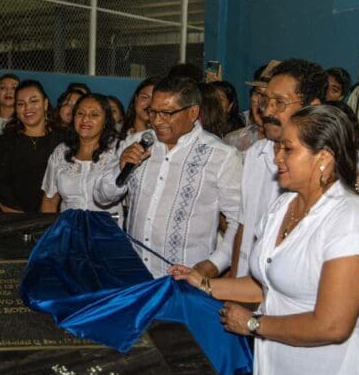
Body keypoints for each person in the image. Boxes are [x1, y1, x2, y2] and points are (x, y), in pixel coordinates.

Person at [170, 105, 359, 375]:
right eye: (277, 147)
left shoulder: (349, 219)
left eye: (288, 149)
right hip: (276, 363)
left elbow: (333, 325)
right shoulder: (282, 207)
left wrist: (254, 324)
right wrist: (205, 284)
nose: (277, 158)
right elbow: (269, 284)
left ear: (323, 157)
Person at [94, 76, 242, 278]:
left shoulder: (221, 156)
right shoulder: (138, 142)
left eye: (167, 113)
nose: (156, 120)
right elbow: (101, 197)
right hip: (135, 274)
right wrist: (119, 169)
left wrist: (214, 264)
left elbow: (238, 221)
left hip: (186, 278)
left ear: (193, 112)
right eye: (152, 112)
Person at [232, 59, 326, 277]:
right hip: (246, 291)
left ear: (313, 106)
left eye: (280, 103)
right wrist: (233, 286)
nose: (267, 111)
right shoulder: (256, 154)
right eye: (265, 100)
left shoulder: (342, 166)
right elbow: (245, 227)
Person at [41, 94, 123, 223]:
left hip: (106, 233)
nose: (85, 119)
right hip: (69, 230)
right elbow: (49, 199)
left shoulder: (118, 150)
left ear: (105, 121)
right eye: (80, 113)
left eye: (94, 114)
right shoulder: (61, 152)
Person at [0, 79, 65, 213]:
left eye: (34, 101)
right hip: (14, 221)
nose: (27, 108)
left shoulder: (62, 140)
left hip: (55, 221)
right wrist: (24, 222)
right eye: (21, 104)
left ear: (45, 103)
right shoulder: (7, 140)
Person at [117, 76, 160, 143]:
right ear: (136, 98)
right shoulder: (117, 132)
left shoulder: (161, 139)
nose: (149, 104)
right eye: (145, 97)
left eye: (155, 99)